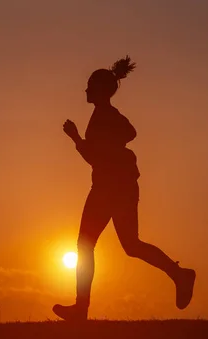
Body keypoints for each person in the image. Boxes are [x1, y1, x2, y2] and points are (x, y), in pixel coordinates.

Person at [53, 56, 196, 321]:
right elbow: (112, 145)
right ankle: (179, 275)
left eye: (89, 86)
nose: (85, 90)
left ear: (100, 90)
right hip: (112, 187)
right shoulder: (102, 116)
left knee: (92, 246)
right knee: (125, 245)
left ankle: (81, 308)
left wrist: (76, 138)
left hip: (112, 189)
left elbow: (108, 148)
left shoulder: (105, 116)